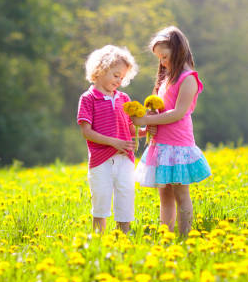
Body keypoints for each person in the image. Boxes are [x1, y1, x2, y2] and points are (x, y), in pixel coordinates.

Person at [132, 26, 211, 235]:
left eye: (164, 56)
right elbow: (161, 112)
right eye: (159, 58)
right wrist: (144, 125)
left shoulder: (188, 78)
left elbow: (178, 113)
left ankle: (185, 236)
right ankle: (166, 235)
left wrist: (145, 119)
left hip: (177, 144)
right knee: (164, 195)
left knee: (180, 193)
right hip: (160, 144)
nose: (162, 62)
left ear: (177, 50)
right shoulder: (167, 78)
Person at [77, 45, 147, 234]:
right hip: (101, 160)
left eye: (122, 78)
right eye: (116, 75)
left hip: (125, 159)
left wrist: (145, 131)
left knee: (126, 196)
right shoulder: (88, 98)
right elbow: (87, 132)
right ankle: (99, 239)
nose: (119, 81)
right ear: (100, 70)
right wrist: (113, 142)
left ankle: (122, 236)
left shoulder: (124, 98)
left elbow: (130, 129)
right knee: (101, 197)